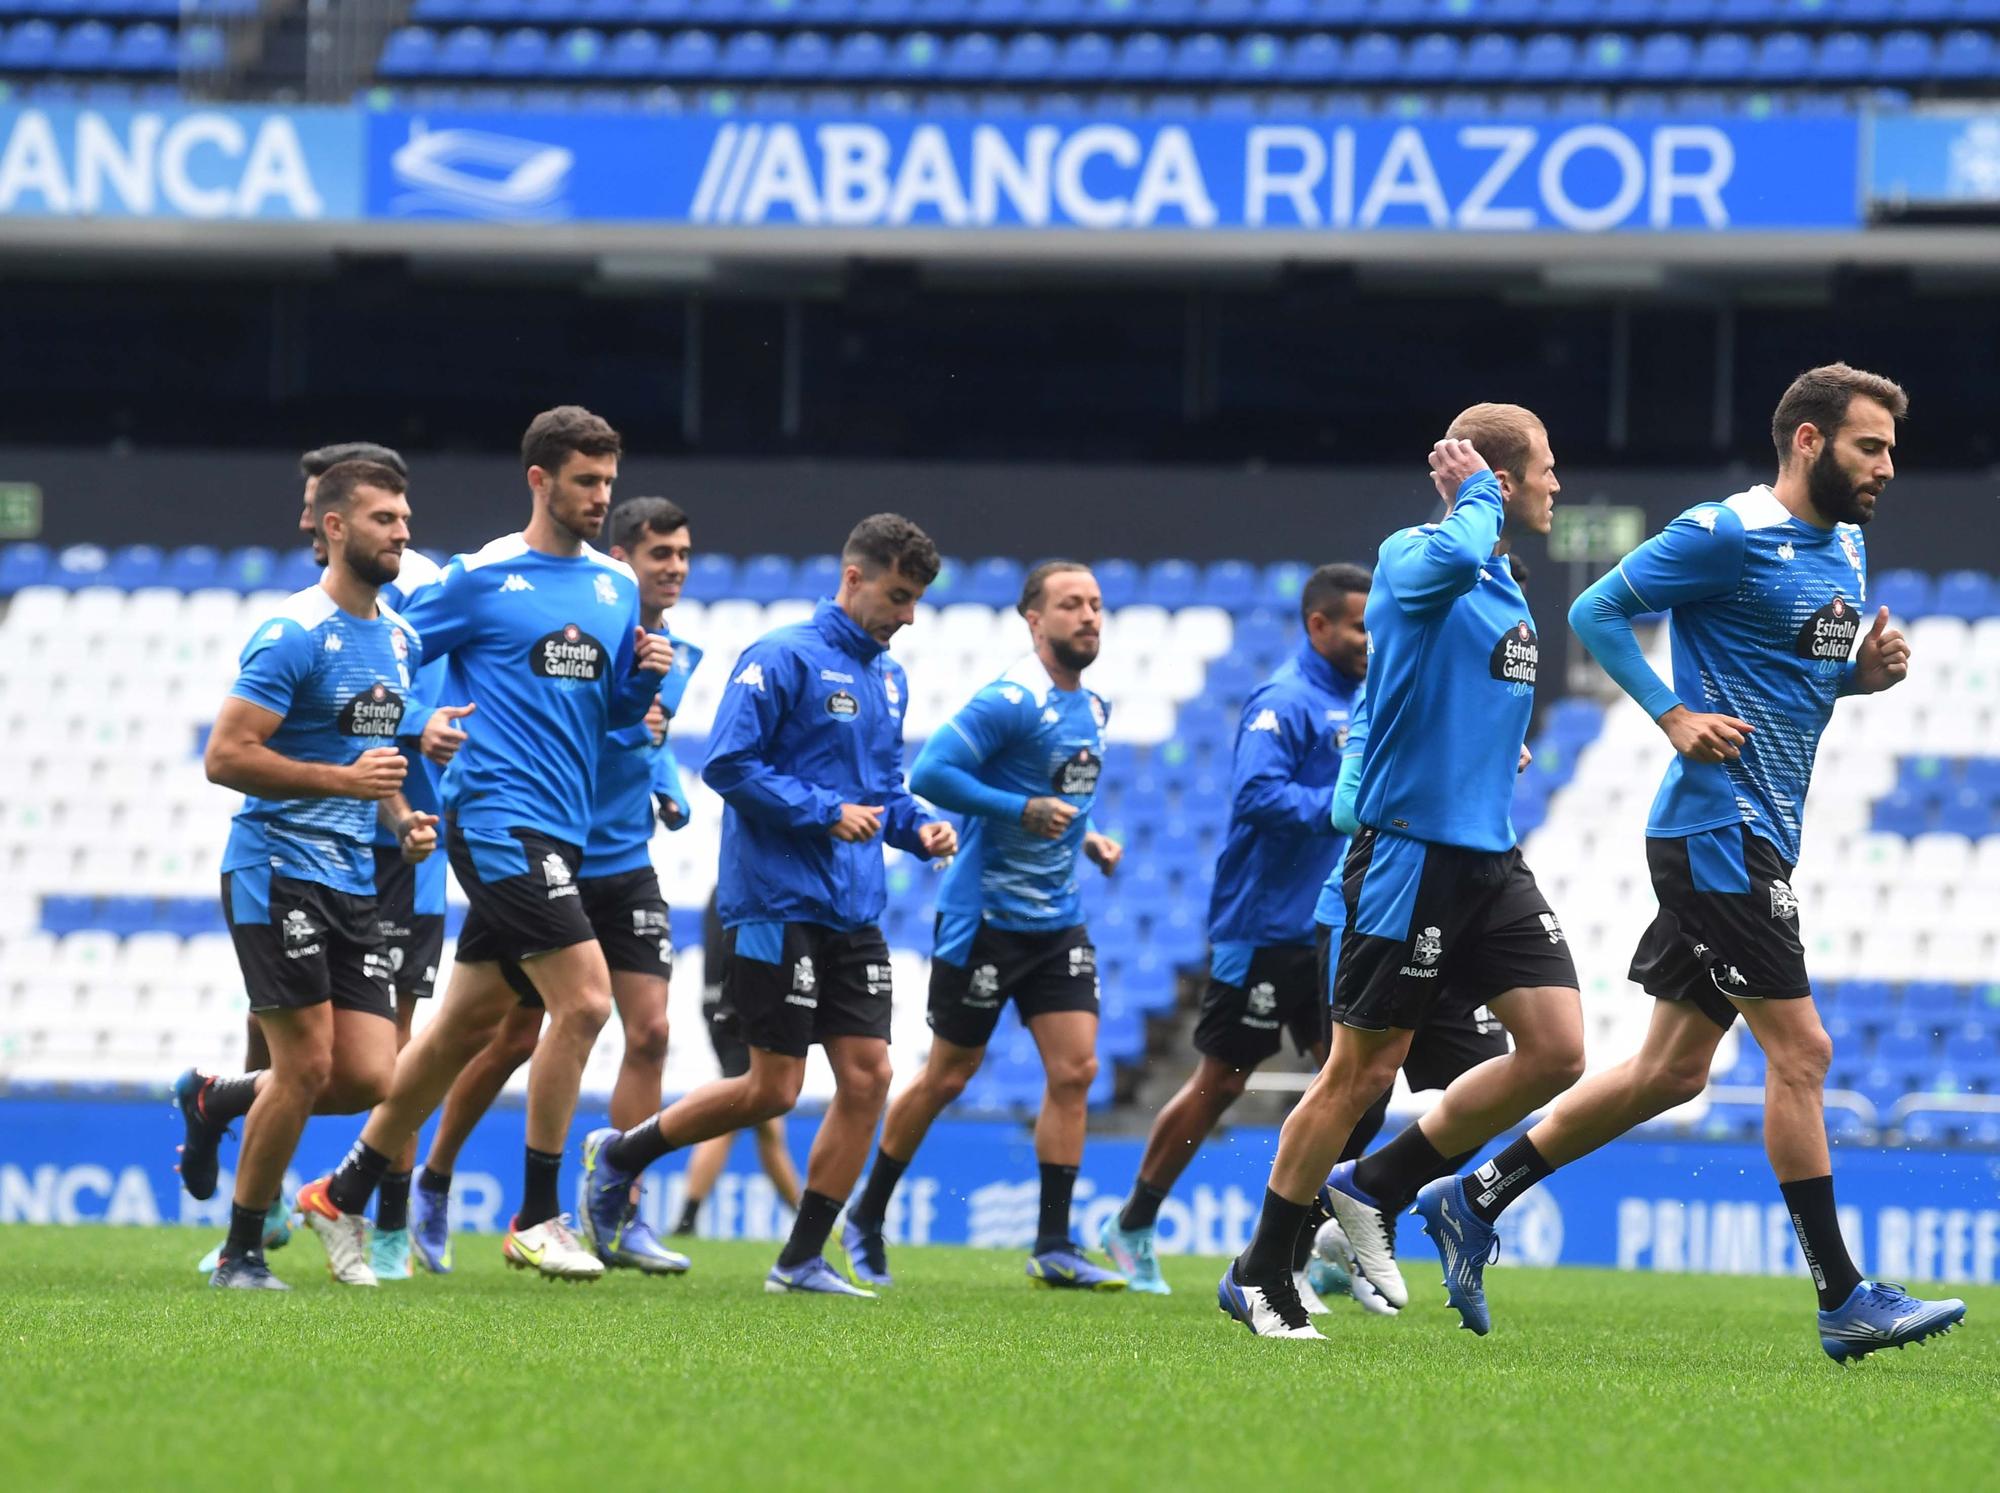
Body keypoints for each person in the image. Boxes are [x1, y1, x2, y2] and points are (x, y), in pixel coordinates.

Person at [1414, 365, 1968, 1361]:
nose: (1886, 466)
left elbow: (1793, 673)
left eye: (1888, 447)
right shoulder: (1726, 532)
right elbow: (1593, 610)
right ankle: (1840, 1295)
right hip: (1715, 831)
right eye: (1867, 446)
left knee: (1670, 1071)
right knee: (1801, 1053)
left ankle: (1471, 1194)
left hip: (1758, 828)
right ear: (1806, 441)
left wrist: (1857, 677)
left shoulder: (1844, 541)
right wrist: (1670, 714)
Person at [1220, 407, 1585, 1340]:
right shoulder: (1416, 554)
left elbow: (1452, 697)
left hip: (1488, 857)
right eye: (1543, 468)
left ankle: (1376, 1186)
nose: (1556, 483)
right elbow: (1449, 563)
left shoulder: (1500, 580)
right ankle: (1262, 1272)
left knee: (1556, 1050)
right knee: (1357, 1073)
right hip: (1410, 855)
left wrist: (1491, 752)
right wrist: (1468, 499)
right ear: (1497, 482)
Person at [295, 406, 672, 1284]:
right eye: (586, 481)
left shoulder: (616, 588)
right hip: (498, 819)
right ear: (539, 481)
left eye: (608, 482)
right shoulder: (479, 577)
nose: (600, 497)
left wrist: (640, 684)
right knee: (583, 1004)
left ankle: (341, 1190)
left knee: (458, 1028)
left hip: (567, 829)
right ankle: (538, 1215)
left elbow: (612, 716)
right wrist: (421, 720)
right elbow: (383, 650)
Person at [578, 514, 956, 1298]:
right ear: (854, 576)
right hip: (773, 902)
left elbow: (883, 792)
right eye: (898, 594)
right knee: (773, 1088)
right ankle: (621, 1156)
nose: (908, 614)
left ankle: (801, 1258)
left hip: (854, 906)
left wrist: (919, 828)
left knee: (869, 1075)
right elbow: (727, 764)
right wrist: (824, 810)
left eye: (917, 599)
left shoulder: (889, 677)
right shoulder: (780, 657)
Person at [405, 497, 701, 1278]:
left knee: (651, 1029)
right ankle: (436, 1180)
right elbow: (572, 717)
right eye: (658, 555)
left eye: (682, 555)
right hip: (534, 842)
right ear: (623, 563)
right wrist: (417, 719)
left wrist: (665, 771)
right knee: (501, 1033)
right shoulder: (549, 596)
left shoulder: (678, 650)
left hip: (618, 854)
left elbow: (627, 730)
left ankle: (616, 1204)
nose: (672, 569)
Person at [171, 460, 438, 1289]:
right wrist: (345, 785)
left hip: (353, 876)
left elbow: (371, 763)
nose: (402, 531)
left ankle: (217, 1099)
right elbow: (226, 757)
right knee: (305, 1067)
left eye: (404, 516)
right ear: (333, 527)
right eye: (384, 518)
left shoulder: (400, 638)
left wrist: (402, 821)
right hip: (275, 868)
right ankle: (244, 1251)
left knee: (369, 1074)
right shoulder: (292, 633)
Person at [842, 562, 1125, 1291]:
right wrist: (1020, 810)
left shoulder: (1094, 704)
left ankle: (1054, 1243)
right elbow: (932, 773)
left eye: (1095, 604)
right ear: (1034, 619)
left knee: (1076, 1069)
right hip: (987, 920)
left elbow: (1065, 788)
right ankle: (866, 1212)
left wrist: (1088, 837)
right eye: (1070, 605)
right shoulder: (1010, 698)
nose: (1088, 616)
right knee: (948, 1075)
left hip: (1057, 920)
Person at [1096, 563, 1369, 1301]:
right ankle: (1133, 1222)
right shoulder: (1284, 700)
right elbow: (1256, 795)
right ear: (1319, 625)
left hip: (1323, 923)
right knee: (1221, 1081)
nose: (1370, 640)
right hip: (1258, 924)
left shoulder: (1362, 701)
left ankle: (1309, 1246)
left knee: (1354, 1084)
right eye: (1358, 625)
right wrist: (1345, 803)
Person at [671, 892, 803, 1236]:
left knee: (767, 1122)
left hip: (719, 1005)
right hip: (739, 1008)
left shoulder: (723, 891)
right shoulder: (746, 891)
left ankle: (809, 1220)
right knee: (739, 1108)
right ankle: (688, 1215)